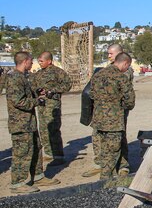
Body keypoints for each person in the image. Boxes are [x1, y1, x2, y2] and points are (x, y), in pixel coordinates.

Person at [6, 51, 60, 194]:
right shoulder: (14, 78)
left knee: (36, 148)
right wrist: (37, 101)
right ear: (25, 61)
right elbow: (18, 101)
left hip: (29, 122)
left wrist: (37, 93)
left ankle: (38, 175)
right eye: (31, 61)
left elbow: (25, 95)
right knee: (22, 153)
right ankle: (17, 183)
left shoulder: (23, 77)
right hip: (20, 123)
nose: (32, 63)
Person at [82, 44, 134, 177]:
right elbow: (129, 99)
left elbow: (91, 93)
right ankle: (105, 169)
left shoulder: (123, 72)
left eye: (111, 54)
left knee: (116, 141)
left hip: (111, 114)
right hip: (108, 115)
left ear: (119, 54)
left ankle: (122, 166)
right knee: (107, 143)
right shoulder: (112, 73)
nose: (108, 56)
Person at [30, 51, 72, 165]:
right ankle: (49, 153)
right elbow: (33, 86)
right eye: (39, 61)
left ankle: (58, 156)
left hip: (52, 105)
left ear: (49, 61)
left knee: (53, 130)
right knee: (43, 130)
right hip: (41, 105)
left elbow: (68, 85)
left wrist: (52, 91)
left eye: (42, 61)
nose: (39, 63)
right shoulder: (38, 73)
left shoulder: (58, 72)